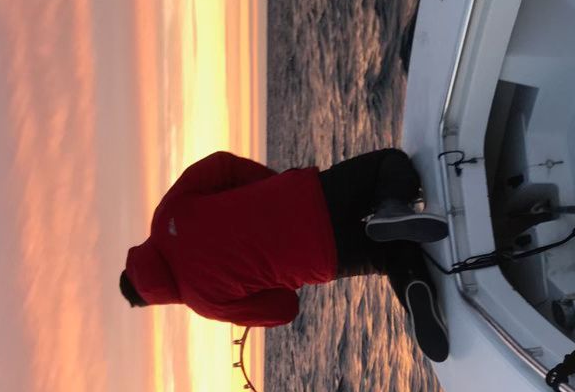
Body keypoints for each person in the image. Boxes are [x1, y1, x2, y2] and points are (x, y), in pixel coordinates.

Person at [121, 148, 451, 361]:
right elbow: (222, 165)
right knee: (388, 163)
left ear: (156, 299)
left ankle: (413, 291)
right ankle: (391, 208)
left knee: (389, 256)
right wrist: (276, 186)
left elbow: (284, 309)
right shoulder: (166, 215)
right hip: (308, 195)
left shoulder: (203, 302)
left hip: (320, 256)